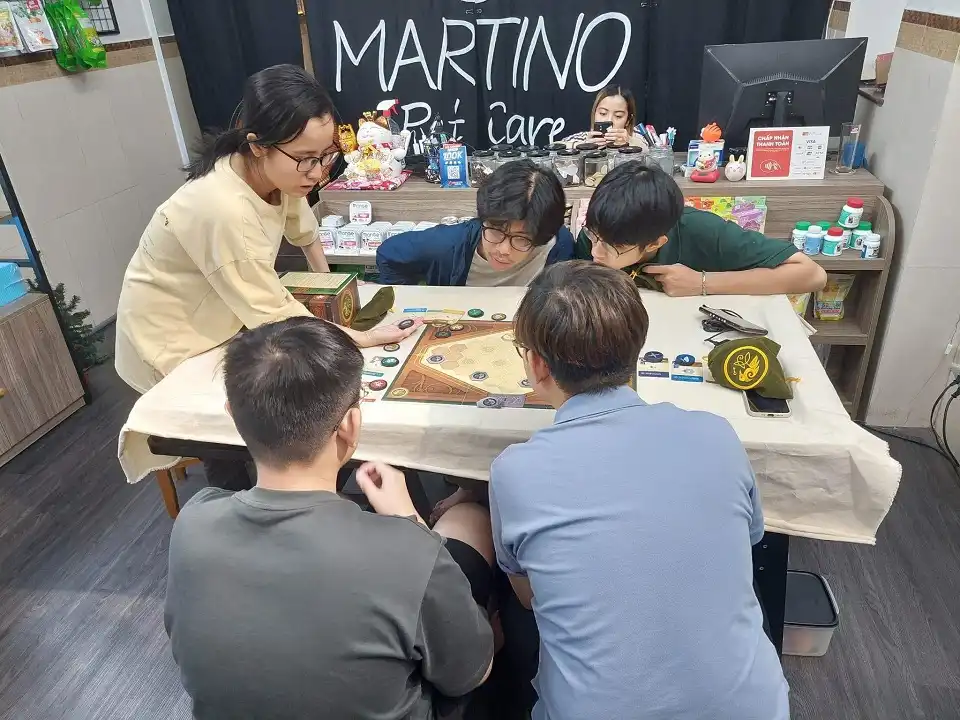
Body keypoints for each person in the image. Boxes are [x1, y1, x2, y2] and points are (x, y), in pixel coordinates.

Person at [489, 261, 789, 720]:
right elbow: (742, 550)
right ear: (636, 349)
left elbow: (530, 596)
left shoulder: (516, 469)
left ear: (536, 363)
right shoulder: (716, 434)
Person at [165, 317, 495, 720]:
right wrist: (411, 522)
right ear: (351, 425)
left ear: (233, 416)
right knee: (469, 522)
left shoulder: (192, 524)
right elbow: (470, 675)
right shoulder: (407, 551)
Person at [115, 64, 416, 489]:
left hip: (225, 314)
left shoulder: (279, 176)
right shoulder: (222, 209)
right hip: (173, 332)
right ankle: (234, 506)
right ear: (258, 146)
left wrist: (338, 295)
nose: (319, 173)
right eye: (307, 159)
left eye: (327, 154)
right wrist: (356, 337)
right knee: (228, 429)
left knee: (285, 401)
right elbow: (269, 309)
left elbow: (306, 233)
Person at [576, 162, 827, 296]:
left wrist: (703, 283)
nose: (596, 252)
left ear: (655, 243)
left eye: (614, 247)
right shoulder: (597, 232)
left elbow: (812, 275)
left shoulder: (702, 230)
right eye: (594, 236)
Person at [376, 159, 574, 287]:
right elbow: (389, 253)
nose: (503, 250)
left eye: (522, 239)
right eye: (496, 231)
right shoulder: (447, 245)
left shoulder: (558, 244)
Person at [561, 85, 650, 148]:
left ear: (628, 120)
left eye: (618, 116)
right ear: (594, 113)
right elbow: (554, 148)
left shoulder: (636, 137)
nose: (609, 120)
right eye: (603, 113)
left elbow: (648, 152)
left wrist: (630, 142)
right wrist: (583, 147)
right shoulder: (582, 138)